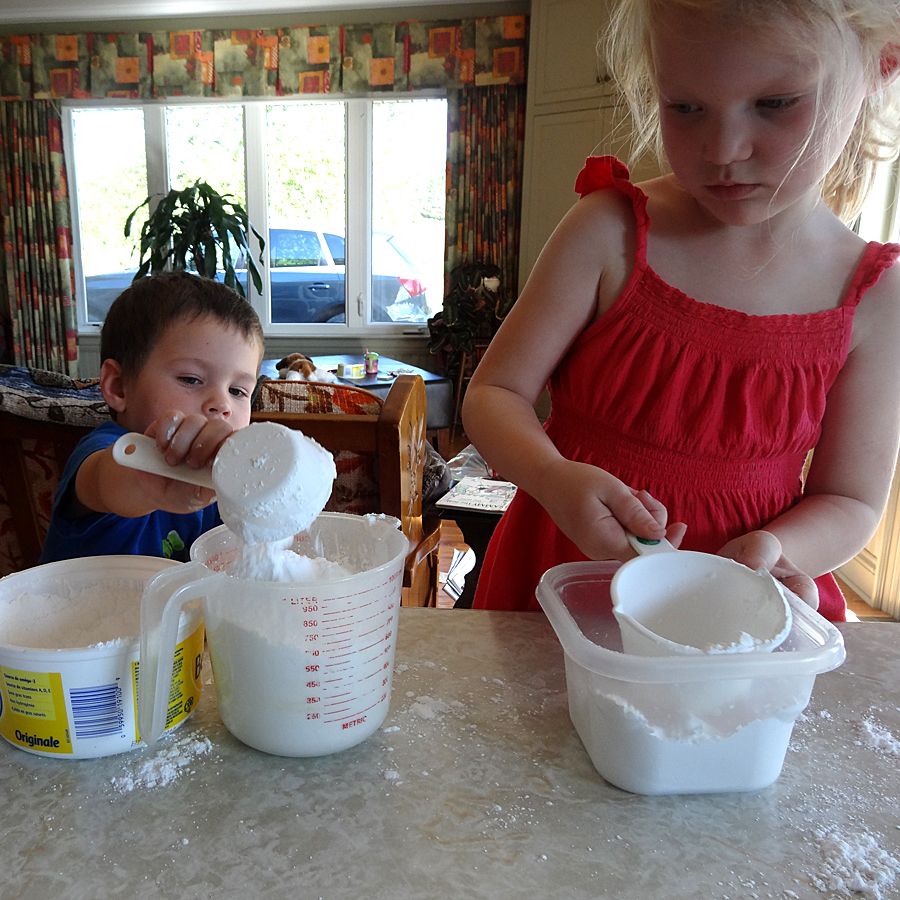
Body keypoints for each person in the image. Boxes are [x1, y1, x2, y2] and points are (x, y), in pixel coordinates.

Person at [462, 0, 900, 621]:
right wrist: (555, 479)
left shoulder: (876, 297)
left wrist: (780, 551)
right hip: (569, 570)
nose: (723, 149)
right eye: (686, 107)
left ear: (881, 67)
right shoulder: (607, 232)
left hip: (744, 605)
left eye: (775, 104)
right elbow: (494, 394)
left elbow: (850, 500)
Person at [40, 271, 265, 564]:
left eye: (237, 391)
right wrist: (146, 479)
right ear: (118, 386)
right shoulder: (106, 451)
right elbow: (105, 481)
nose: (222, 404)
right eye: (191, 379)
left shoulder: (221, 480)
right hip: (81, 605)